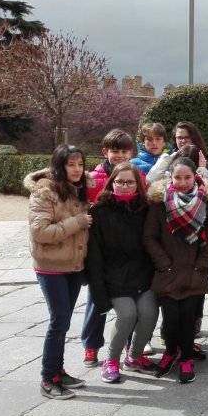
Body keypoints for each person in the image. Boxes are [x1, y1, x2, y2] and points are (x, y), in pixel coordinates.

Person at [143, 156, 208, 384]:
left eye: (187, 177)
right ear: (170, 177)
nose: (183, 182)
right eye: (178, 177)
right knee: (171, 319)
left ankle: (186, 357)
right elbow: (150, 237)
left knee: (188, 319)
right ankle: (170, 353)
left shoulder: (207, 201)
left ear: (195, 176)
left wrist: (201, 264)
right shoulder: (160, 201)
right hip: (167, 271)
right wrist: (163, 263)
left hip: (194, 269)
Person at [25, 144, 92, 399]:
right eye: (70, 164)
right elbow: (40, 232)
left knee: (63, 323)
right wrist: (78, 222)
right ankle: (47, 378)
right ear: (59, 165)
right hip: (51, 266)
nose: (76, 169)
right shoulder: (45, 193)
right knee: (59, 321)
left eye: (80, 164)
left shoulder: (78, 191)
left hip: (73, 266)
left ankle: (59, 371)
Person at [86, 162, 158, 383]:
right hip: (114, 277)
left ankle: (134, 358)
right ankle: (112, 360)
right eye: (120, 182)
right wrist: (98, 290)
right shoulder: (99, 211)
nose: (125, 186)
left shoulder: (147, 209)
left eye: (130, 182)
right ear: (111, 183)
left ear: (138, 184)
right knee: (127, 315)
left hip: (142, 275)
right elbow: (94, 254)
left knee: (149, 314)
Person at [83, 129, 137, 368]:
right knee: (97, 302)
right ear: (105, 152)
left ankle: (127, 342)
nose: (120, 155)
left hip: (126, 250)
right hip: (100, 248)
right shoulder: (93, 178)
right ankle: (91, 346)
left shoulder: (136, 175)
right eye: (115, 151)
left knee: (131, 301)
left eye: (124, 151)